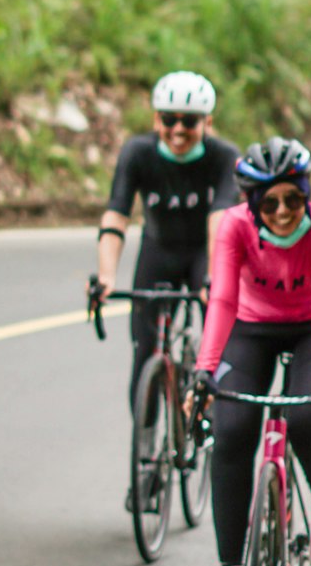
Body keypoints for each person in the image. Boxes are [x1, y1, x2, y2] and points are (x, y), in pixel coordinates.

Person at [190, 136, 311, 566]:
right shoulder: (234, 227)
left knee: (309, 414)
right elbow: (220, 299)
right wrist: (204, 369)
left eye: (293, 198)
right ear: (251, 203)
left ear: (307, 193)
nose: (283, 211)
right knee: (233, 431)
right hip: (250, 327)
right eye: (270, 202)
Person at [93, 72, 240, 442]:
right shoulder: (137, 152)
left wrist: (215, 279)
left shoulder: (224, 157)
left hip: (201, 254)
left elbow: (220, 221)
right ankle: (144, 451)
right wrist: (106, 276)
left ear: (207, 122)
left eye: (189, 121)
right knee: (144, 352)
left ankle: (210, 417)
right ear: (155, 119)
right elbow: (116, 215)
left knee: (217, 341)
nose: (178, 129)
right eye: (168, 119)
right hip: (157, 251)